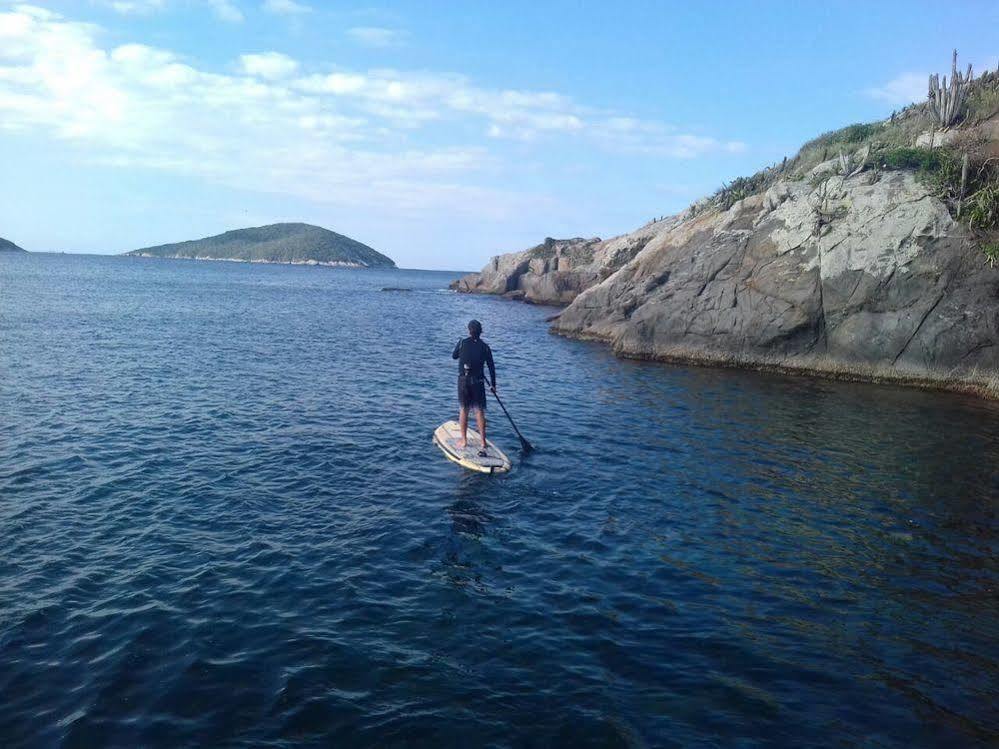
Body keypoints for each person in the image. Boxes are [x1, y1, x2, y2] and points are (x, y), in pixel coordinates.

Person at [451, 319, 496, 455]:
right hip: (478, 382)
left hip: (463, 381)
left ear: (469, 331)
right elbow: (491, 367)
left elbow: (454, 356)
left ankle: (464, 440)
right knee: (479, 411)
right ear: (481, 332)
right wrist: (493, 385)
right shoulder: (485, 347)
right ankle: (483, 442)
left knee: (464, 410)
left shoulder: (462, 342)